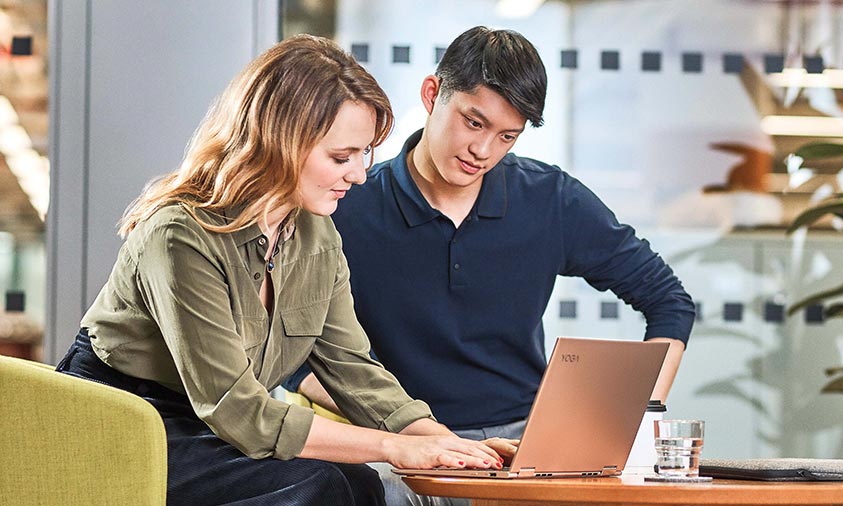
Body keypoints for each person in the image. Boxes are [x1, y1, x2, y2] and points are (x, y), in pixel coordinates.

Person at [54, 34, 512, 506]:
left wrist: (448, 446)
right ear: (279, 142)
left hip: (209, 423)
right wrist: (398, 448)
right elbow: (241, 413)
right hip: (128, 422)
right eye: (341, 157)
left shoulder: (317, 234)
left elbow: (353, 369)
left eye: (363, 154)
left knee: (360, 484)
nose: (358, 175)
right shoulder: (179, 237)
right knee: (322, 487)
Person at [290, 26, 696, 505]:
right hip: (394, 443)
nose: (482, 151)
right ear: (432, 93)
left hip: (519, 449)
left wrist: (641, 413)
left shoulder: (549, 200)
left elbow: (669, 301)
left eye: (507, 136)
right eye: (473, 123)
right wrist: (405, 434)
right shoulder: (346, 204)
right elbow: (294, 362)